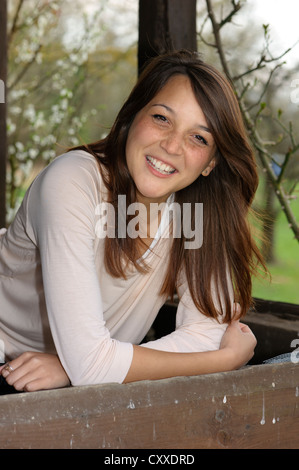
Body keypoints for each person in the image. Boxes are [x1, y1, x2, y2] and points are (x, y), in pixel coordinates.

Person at [0, 50, 264, 395]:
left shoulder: (196, 216)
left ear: (210, 164)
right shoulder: (73, 181)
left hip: (68, 383)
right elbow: (93, 366)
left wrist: (76, 365)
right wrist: (224, 360)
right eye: (161, 118)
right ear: (130, 118)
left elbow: (206, 334)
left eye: (198, 137)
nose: (171, 145)